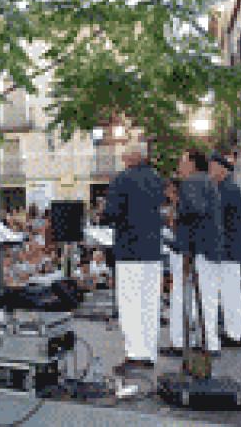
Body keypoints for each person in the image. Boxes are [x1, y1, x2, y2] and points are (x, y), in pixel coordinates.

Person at [101, 141, 165, 374]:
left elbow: (112, 213)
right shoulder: (156, 179)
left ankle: (135, 354)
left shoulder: (123, 179)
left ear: (133, 157)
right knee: (150, 303)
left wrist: (104, 213)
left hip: (130, 249)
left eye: (125, 155)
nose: (122, 159)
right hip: (153, 249)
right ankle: (149, 352)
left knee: (130, 303)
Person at [168, 149, 223, 358]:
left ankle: (189, 342)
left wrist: (178, 205)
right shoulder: (207, 182)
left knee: (190, 296)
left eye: (182, 161)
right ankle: (208, 341)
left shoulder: (192, 182)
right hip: (207, 248)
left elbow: (195, 210)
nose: (179, 166)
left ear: (192, 163)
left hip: (196, 249)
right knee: (208, 297)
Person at [209, 153, 241, 348]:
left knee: (231, 293)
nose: (210, 171)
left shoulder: (228, 190)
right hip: (228, 249)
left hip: (229, 249)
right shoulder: (225, 188)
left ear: (222, 168)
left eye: (212, 167)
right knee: (229, 293)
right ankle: (233, 330)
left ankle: (235, 333)